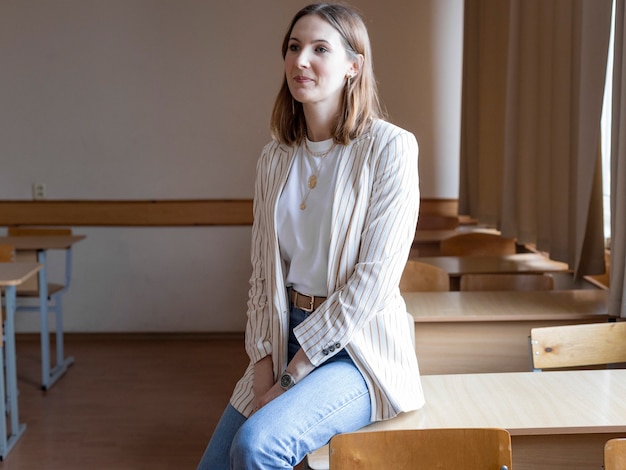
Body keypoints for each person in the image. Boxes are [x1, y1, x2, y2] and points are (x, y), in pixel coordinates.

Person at [197, 3, 424, 469]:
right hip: (285, 336)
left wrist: (291, 375)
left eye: (320, 48)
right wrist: (264, 368)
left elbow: (373, 283)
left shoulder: (390, 148)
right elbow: (263, 276)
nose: (301, 60)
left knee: (257, 446)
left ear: (352, 67)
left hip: (357, 353)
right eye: (294, 47)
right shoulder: (274, 158)